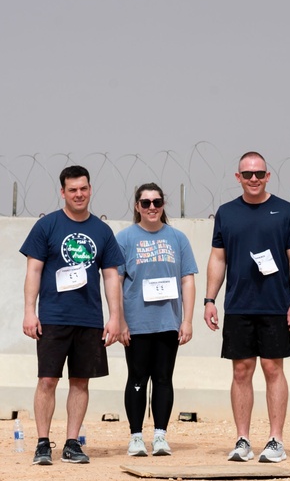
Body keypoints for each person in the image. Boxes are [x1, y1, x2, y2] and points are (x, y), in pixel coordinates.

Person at [204, 152, 290, 463]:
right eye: (247, 174)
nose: (253, 179)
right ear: (238, 177)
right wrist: (210, 299)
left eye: (259, 174)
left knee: (273, 368)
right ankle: (243, 439)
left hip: (275, 305)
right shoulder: (226, 213)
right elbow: (218, 258)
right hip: (238, 306)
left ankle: (276, 440)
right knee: (240, 371)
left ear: (268, 176)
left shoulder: (286, 212)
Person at [20, 165, 124, 465]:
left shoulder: (102, 231)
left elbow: (111, 276)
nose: (79, 194)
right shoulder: (46, 226)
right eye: (72, 190)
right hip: (53, 317)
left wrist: (115, 316)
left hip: (89, 319)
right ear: (63, 192)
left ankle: (71, 443)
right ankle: (42, 443)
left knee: (81, 382)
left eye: (83, 188)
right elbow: (34, 270)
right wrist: (29, 311)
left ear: (90, 190)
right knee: (47, 381)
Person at [117, 184, 198, 457]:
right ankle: (136, 437)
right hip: (137, 323)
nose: (152, 207)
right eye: (146, 202)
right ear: (137, 206)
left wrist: (187, 320)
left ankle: (161, 436)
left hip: (168, 322)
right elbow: (115, 281)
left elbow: (187, 279)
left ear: (163, 205)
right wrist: (119, 321)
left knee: (164, 378)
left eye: (157, 202)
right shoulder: (125, 238)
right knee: (137, 378)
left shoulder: (178, 238)